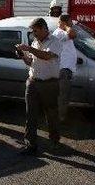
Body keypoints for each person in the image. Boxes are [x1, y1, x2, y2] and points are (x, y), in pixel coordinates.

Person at [15, 18, 62, 155]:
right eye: (33, 31)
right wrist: (22, 56)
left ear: (43, 28)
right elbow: (31, 62)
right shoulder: (35, 41)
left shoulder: (55, 41)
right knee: (30, 114)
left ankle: (54, 141)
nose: (34, 34)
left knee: (51, 114)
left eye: (36, 31)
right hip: (33, 82)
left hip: (49, 83)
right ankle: (30, 144)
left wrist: (29, 48)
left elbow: (47, 56)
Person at [52, 14, 77, 122]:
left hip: (66, 69)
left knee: (64, 95)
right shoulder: (59, 33)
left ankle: (60, 116)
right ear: (65, 22)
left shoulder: (63, 33)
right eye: (70, 22)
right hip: (63, 69)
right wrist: (66, 26)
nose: (72, 24)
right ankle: (59, 118)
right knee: (62, 96)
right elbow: (72, 34)